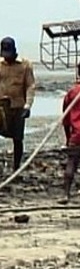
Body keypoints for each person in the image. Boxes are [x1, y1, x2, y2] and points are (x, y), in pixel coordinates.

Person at [0, 36, 36, 171]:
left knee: (17, 138)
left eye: (9, 54)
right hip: (0, 104)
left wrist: (28, 106)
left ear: (14, 50)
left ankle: (16, 167)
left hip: (17, 106)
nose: (6, 57)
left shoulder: (25, 65)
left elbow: (30, 86)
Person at [62, 64, 80, 201]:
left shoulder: (72, 92)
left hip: (76, 135)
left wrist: (68, 138)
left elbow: (66, 119)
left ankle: (66, 194)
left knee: (71, 163)